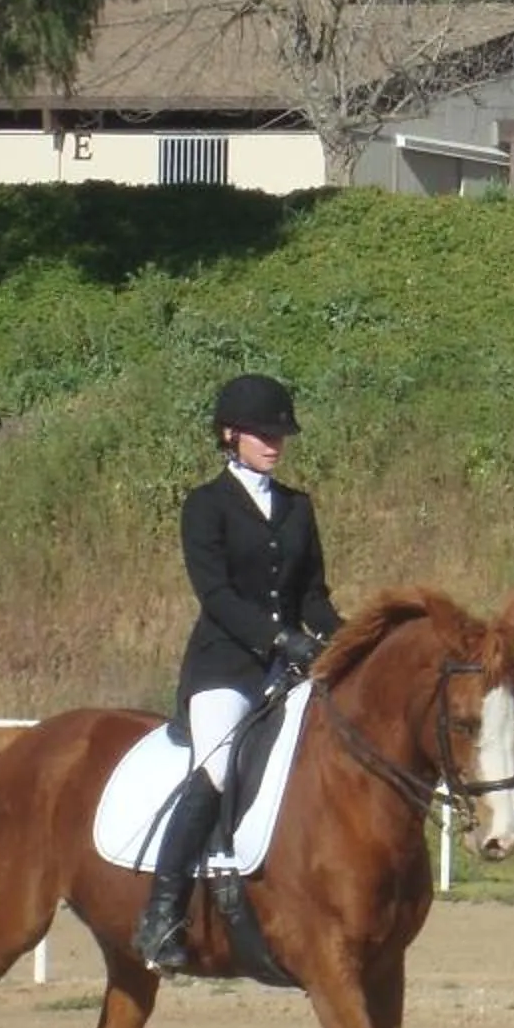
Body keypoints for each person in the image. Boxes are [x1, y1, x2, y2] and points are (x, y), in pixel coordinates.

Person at [134, 373, 342, 975]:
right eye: (262, 432)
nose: (274, 441)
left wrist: (349, 638)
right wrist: (278, 637)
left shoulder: (298, 506)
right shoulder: (206, 506)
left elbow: (314, 596)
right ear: (231, 435)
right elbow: (217, 595)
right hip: (225, 668)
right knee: (218, 766)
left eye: (280, 431)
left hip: (288, 668)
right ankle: (161, 912)